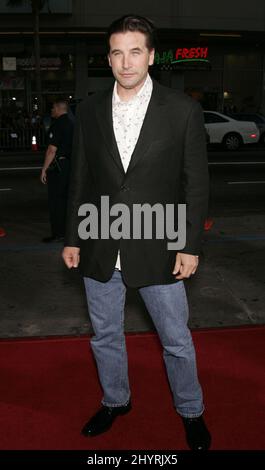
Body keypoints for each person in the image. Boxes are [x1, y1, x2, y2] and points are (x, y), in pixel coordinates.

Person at [62, 14, 211, 450]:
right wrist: (72, 236)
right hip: (99, 240)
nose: (125, 62)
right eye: (116, 52)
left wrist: (189, 245)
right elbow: (80, 181)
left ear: (150, 55)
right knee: (105, 334)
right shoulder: (88, 110)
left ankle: (191, 410)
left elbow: (195, 184)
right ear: (107, 59)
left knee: (176, 340)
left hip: (160, 243)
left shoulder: (182, 109)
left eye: (134, 51)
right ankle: (115, 400)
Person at [40, 100, 74, 242]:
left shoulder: (58, 124)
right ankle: (69, 232)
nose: (52, 110)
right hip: (71, 165)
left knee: (56, 201)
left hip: (59, 167)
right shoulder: (73, 123)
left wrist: (44, 169)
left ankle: (58, 233)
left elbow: (51, 150)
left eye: (53, 107)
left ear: (60, 108)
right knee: (68, 200)